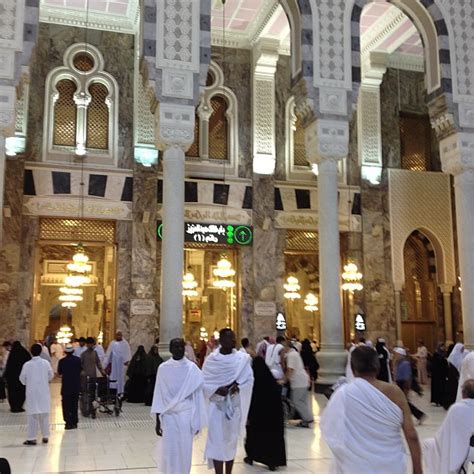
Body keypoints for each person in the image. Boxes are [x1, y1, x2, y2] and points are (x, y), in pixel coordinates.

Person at [321, 346, 422, 474]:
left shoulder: (343, 394)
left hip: (356, 467)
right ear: (378, 367)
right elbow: (411, 435)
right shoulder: (395, 392)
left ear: (352, 369)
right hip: (391, 465)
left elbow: (331, 431)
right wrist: (418, 470)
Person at [151, 338, 207, 474]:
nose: (178, 350)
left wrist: (197, 418)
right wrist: (158, 420)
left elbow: (198, 395)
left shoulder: (192, 368)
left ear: (185, 348)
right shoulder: (163, 369)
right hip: (168, 416)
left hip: (185, 416)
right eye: (175, 347)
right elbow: (159, 393)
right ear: (170, 349)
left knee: (184, 450)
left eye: (181, 347)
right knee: (170, 450)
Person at [202, 328, 254, 474]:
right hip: (216, 408)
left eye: (233, 339)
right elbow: (203, 382)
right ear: (221, 341)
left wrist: (238, 386)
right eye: (228, 339)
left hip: (233, 407)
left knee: (230, 442)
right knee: (216, 442)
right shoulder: (211, 360)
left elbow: (249, 380)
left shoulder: (242, 359)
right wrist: (216, 389)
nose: (232, 341)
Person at [244, 356, 286, 472]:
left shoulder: (255, 383)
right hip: (273, 418)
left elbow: (252, 402)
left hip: (258, 418)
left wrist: (248, 416)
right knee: (272, 438)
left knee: (254, 435)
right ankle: (273, 461)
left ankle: (251, 456)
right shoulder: (271, 383)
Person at [424, 379, 474, 474]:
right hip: (470, 448)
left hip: (467, 452)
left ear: (464, 394)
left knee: (429, 444)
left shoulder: (457, 408)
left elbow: (444, 433)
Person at [19, 344, 54, 445]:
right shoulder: (45, 363)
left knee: (32, 416)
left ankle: (32, 437)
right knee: (44, 415)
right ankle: (46, 436)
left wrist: (28, 383)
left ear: (31, 352)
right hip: (43, 392)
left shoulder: (27, 364)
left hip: (32, 393)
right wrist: (43, 381)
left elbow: (22, 378)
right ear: (41, 352)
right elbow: (51, 375)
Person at [284, 338, 313, 427]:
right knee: (302, 401)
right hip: (302, 381)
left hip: (298, 382)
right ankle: (308, 418)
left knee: (297, 401)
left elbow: (290, 369)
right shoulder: (294, 353)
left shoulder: (291, 355)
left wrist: (284, 380)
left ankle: (307, 419)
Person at [394, 347, 426, 423]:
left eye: (397, 354)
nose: (395, 356)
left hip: (403, 384)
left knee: (404, 402)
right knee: (403, 402)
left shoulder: (405, 363)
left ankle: (419, 415)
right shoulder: (399, 363)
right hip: (400, 384)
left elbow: (408, 378)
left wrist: (406, 389)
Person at [57, 344, 81, 430]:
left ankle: (68, 422)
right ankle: (74, 422)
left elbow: (59, 372)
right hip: (75, 386)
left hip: (66, 386)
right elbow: (80, 370)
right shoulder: (78, 360)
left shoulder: (62, 361)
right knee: (74, 405)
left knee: (66, 405)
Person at [4, 341, 31, 412]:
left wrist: (6, 376)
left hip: (12, 379)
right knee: (21, 392)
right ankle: (19, 406)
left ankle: (13, 407)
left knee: (12, 392)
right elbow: (29, 363)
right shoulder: (24, 353)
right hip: (22, 378)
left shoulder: (12, 354)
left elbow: (8, 366)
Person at [104, 331, 132, 396]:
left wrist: (127, 360)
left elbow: (128, 353)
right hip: (114, 365)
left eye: (119, 335)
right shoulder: (112, 343)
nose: (118, 336)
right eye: (117, 335)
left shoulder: (125, 343)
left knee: (121, 379)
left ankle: (121, 393)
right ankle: (113, 393)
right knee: (113, 378)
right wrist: (106, 363)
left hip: (122, 365)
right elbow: (108, 354)